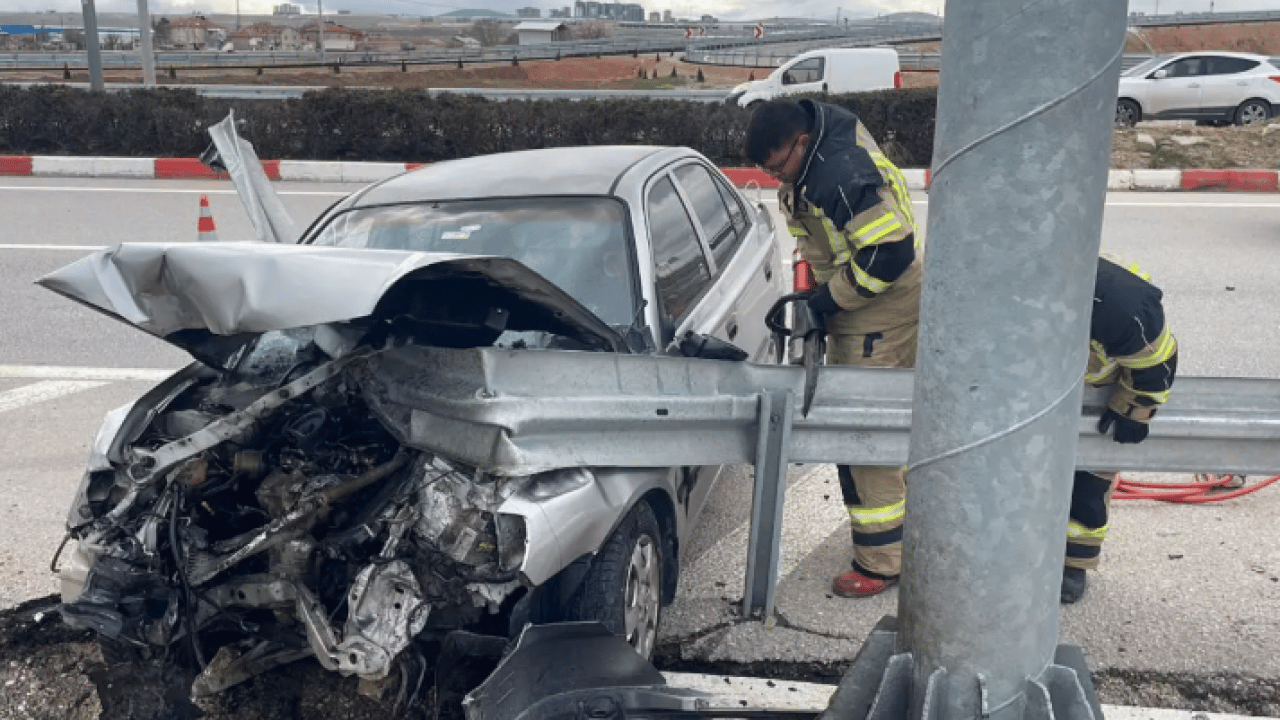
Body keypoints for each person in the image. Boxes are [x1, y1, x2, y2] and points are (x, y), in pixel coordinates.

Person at [745, 99, 922, 598]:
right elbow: (832, 235)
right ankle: (908, 532)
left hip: (878, 305)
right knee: (891, 425)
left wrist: (827, 302)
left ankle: (881, 562)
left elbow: (890, 254)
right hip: (880, 295)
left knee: (863, 435)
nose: (774, 177)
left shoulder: (836, 172)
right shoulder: (823, 137)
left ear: (802, 143)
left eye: (777, 165)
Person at [1063, 255, 1178, 603]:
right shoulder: (997, 297)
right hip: (1034, 394)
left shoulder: (1120, 309)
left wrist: (1134, 410)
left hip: (1100, 393)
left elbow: (1156, 364)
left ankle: (1073, 563)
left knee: (1086, 488)